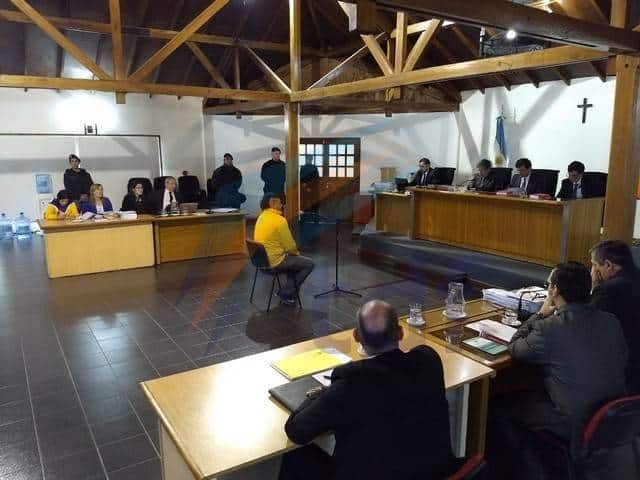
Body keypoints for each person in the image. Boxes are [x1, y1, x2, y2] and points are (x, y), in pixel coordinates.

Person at [279, 300, 456, 480]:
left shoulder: (349, 382)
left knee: (296, 456)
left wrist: (321, 392)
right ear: (400, 332)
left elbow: (296, 431)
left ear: (356, 336)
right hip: (436, 473)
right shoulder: (428, 360)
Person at [489, 262, 627, 478]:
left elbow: (515, 347)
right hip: (613, 418)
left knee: (498, 406)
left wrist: (540, 314)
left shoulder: (550, 327)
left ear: (554, 290)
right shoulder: (611, 321)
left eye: (548, 285)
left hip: (574, 420)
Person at [590, 240, 640, 394]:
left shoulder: (608, 290)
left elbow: (586, 323)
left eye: (594, 265)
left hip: (622, 371)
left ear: (608, 265)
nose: (592, 270)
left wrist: (594, 287)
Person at [254, 193, 314, 305]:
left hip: (260, 262)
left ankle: (290, 296)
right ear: (271, 203)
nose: (282, 205)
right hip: (274, 263)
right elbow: (290, 246)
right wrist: (296, 254)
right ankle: (286, 293)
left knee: (294, 263)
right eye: (279, 202)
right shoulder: (279, 220)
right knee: (309, 264)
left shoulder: (261, 217)